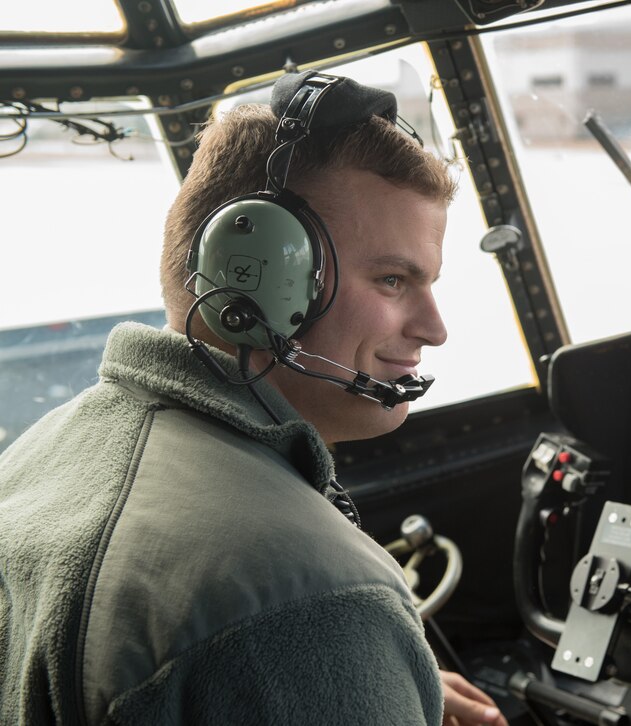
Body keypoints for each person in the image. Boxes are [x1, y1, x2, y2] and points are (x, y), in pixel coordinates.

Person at [0, 72, 506, 726]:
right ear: (257, 279)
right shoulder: (310, 601)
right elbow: (265, 624)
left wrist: (368, 681)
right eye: (391, 279)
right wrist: (339, 649)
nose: (434, 329)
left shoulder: (45, 453)